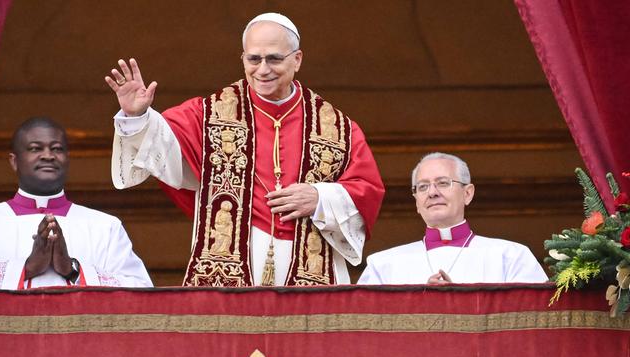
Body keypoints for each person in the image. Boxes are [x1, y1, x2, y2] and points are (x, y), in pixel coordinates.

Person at [105, 13, 385, 287]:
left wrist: (320, 198)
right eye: (254, 59)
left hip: (311, 271)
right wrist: (137, 116)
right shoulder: (209, 114)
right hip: (230, 269)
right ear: (243, 59)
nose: (263, 70)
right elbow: (164, 149)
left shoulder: (337, 128)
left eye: (274, 59)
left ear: (297, 59)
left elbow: (367, 190)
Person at [0, 117, 152, 289]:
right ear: (14, 161)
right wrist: (26, 269)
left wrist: (72, 269)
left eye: (57, 149)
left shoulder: (106, 227)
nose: (48, 156)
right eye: (35, 148)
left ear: (67, 159)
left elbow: (140, 290)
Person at [358, 152, 548, 285]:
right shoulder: (382, 265)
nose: (432, 192)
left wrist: (458, 303)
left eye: (443, 183)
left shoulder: (511, 257)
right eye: (423, 187)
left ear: (467, 193)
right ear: (416, 202)